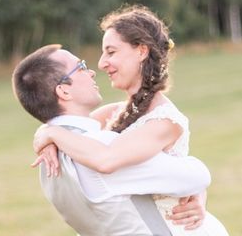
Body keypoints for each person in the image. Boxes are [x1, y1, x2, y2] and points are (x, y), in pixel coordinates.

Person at [33, 5, 229, 235]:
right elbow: (71, 128)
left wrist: (52, 135)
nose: (102, 63)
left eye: (111, 52)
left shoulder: (164, 121)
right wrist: (45, 135)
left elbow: (106, 157)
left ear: (141, 51)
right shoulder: (112, 112)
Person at [13, 44, 212, 236]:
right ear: (64, 91)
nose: (92, 71)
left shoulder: (50, 155)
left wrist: (49, 131)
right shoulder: (102, 148)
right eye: (80, 67)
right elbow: (196, 177)